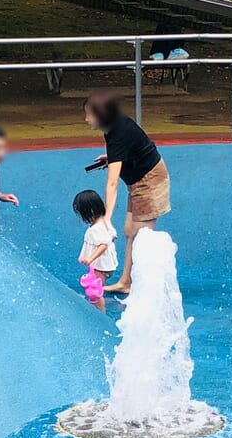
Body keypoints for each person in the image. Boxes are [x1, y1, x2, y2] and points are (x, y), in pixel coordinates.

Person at [84, 91, 170, 294]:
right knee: (130, 231)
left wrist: (106, 218)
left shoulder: (117, 134)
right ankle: (127, 282)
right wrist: (114, 157)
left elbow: (112, 183)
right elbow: (138, 144)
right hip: (139, 180)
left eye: (89, 115)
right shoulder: (114, 128)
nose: (86, 119)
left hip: (149, 182)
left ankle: (147, 288)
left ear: (102, 115)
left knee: (142, 237)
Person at [73, 189, 118, 312]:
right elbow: (112, 235)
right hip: (106, 265)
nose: (81, 217)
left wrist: (91, 258)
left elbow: (103, 244)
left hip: (101, 267)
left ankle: (99, 311)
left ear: (90, 211)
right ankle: (99, 301)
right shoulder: (104, 221)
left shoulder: (96, 229)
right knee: (97, 286)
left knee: (94, 291)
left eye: (81, 213)